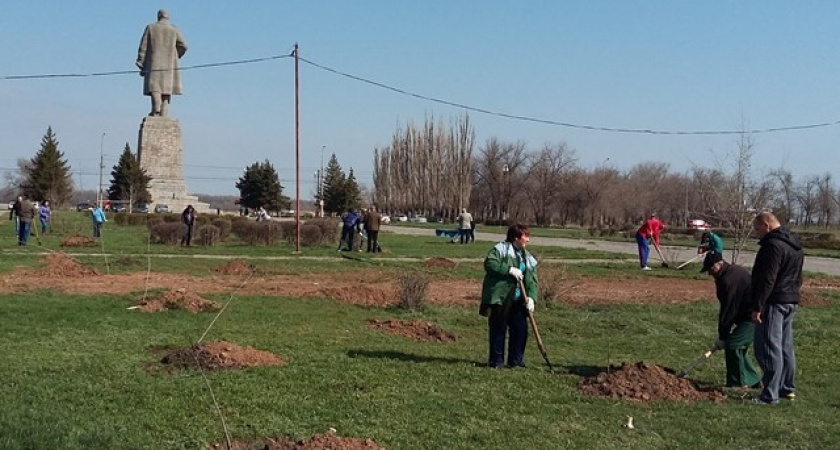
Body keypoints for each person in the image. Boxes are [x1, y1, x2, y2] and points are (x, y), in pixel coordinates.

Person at [750, 212, 803, 405]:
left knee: (768, 347)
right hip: (790, 299)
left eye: (757, 229)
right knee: (785, 346)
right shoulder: (795, 245)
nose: (757, 233)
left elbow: (768, 278)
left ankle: (769, 395)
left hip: (774, 301)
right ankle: (786, 388)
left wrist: (758, 305)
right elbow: (799, 276)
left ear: (766, 225)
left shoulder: (772, 246)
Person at [479, 223, 539, 368]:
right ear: (516, 237)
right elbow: (490, 263)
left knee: (520, 330)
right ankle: (496, 362)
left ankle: (516, 361)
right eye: (525, 236)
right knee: (499, 329)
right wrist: (508, 269)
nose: (528, 240)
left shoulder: (527, 257)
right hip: (502, 298)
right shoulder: (501, 249)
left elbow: (532, 280)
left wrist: (531, 298)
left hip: (519, 300)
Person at [700, 252, 761, 388]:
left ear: (718, 264)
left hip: (753, 316)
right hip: (747, 315)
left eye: (710, 269)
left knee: (734, 345)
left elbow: (728, 309)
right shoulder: (728, 273)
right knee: (738, 346)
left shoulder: (729, 280)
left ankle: (738, 383)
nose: (709, 273)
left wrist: (723, 336)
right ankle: (753, 380)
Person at [136, 9, 188, 117]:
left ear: (158, 16)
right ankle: (164, 112)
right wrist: (175, 55)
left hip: (153, 63)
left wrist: (141, 62)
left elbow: (143, 47)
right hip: (169, 64)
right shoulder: (174, 29)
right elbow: (184, 46)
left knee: (155, 87)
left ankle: (156, 108)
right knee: (166, 89)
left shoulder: (151, 28)